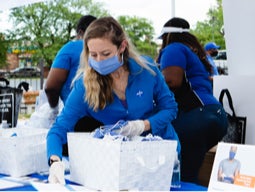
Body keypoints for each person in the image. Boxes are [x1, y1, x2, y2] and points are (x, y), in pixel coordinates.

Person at [47, 16, 181, 184]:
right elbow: (58, 129)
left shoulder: (146, 69)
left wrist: (143, 125)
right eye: (93, 54)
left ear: (122, 47)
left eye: (106, 54)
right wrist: (55, 162)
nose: (99, 61)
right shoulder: (84, 86)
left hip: (163, 155)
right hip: (124, 163)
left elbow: (170, 108)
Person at [157, 17, 228, 184]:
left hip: (196, 116)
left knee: (180, 177)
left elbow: (172, 81)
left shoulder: (173, 49)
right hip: (215, 115)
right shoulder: (195, 52)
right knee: (191, 175)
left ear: (167, 36)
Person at [44, 15, 97, 109]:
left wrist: (54, 109)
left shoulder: (70, 48)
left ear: (80, 32)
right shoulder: (110, 51)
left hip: (77, 117)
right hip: (107, 117)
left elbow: (50, 87)